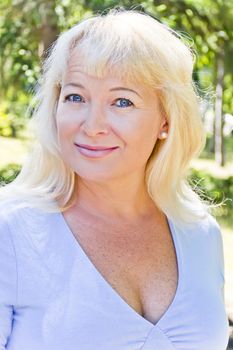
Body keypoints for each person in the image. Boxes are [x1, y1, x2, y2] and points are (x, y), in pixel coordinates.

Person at [0, 8, 229, 350]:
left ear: (166, 120)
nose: (93, 125)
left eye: (122, 101)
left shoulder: (201, 234)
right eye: (75, 96)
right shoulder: (12, 233)